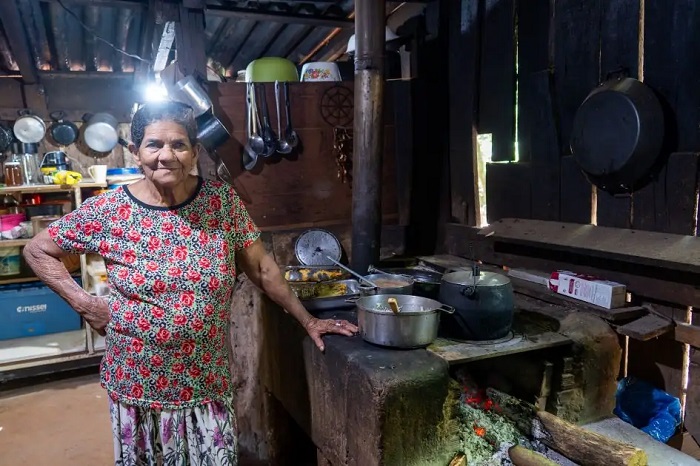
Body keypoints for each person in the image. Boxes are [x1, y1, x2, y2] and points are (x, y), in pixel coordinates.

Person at [23, 101, 358, 466]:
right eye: (154, 144)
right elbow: (38, 250)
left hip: (205, 382)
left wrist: (308, 320)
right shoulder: (110, 211)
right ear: (136, 152)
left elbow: (262, 268)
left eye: (179, 144)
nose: (167, 156)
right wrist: (85, 304)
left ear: (195, 152)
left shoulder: (221, 202)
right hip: (138, 384)